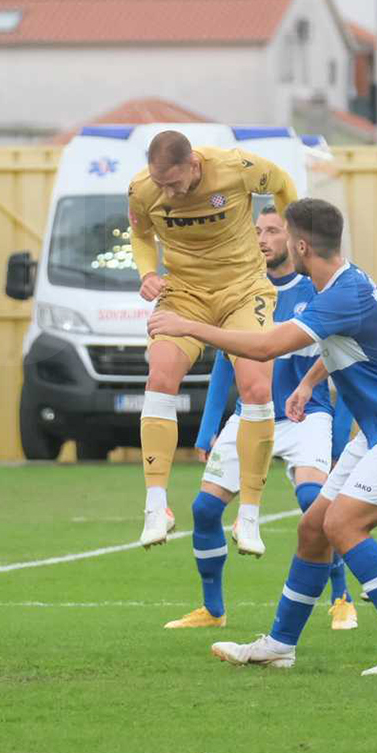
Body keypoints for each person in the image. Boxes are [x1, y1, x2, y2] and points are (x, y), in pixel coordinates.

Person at [150, 198, 377, 676]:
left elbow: (269, 345)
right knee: (313, 528)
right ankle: (279, 644)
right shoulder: (342, 283)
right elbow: (347, 340)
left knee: (343, 526)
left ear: (300, 244)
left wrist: (188, 325)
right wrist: (311, 382)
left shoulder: (339, 294)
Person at [167, 206, 356, 632]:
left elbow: (343, 366)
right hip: (249, 417)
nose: (262, 239)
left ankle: (341, 598)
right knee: (204, 508)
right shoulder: (243, 294)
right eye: (257, 231)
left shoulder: (319, 291)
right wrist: (208, 426)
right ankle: (213, 610)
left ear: (293, 241)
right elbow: (223, 363)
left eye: (273, 231)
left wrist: (339, 436)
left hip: (306, 417)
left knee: (314, 504)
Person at [128, 130, 297, 554]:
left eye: (173, 182)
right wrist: (148, 274)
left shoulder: (237, 168)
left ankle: (251, 515)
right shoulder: (142, 189)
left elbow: (282, 184)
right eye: (159, 183)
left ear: (193, 164)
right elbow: (141, 235)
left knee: (257, 389)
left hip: (243, 288)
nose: (167, 192)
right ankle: (155, 506)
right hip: (184, 292)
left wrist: (294, 237)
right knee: (160, 376)